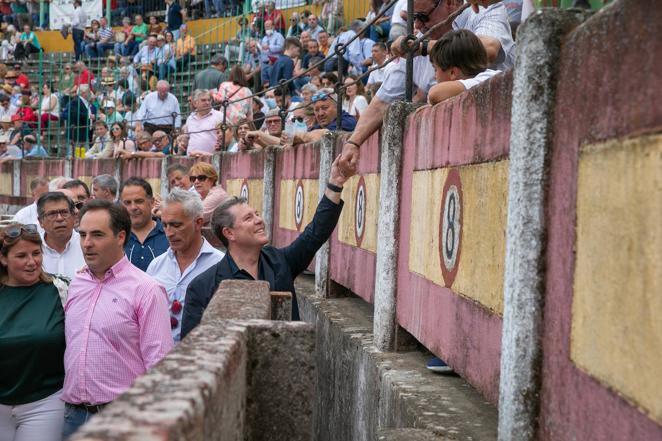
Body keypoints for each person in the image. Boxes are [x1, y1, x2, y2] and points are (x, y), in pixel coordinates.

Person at [181, 153, 353, 337]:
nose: (259, 220)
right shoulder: (203, 286)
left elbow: (316, 233)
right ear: (229, 233)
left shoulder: (279, 261)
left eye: (256, 214)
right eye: (248, 218)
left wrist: (335, 183)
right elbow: (192, 345)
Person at [338, 0, 515, 177]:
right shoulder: (419, 38)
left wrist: (421, 47)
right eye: (413, 18)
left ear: (451, 3)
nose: (417, 25)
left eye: (423, 17)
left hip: (502, 140)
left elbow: (488, 49)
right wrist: (353, 143)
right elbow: (382, 102)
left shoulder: (483, 7)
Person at [61, 200, 173, 437]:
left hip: (124, 417)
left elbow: (159, 363)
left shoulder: (146, 290)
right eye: (82, 235)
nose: (87, 244)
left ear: (121, 237)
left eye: (97, 235)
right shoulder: (77, 283)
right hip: (73, 415)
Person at [0, 223, 66, 441]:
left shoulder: (61, 290)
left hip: (45, 403)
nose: (31, 262)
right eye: (21, 256)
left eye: (36, 253)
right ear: (3, 259)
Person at [146, 189, 224, 342]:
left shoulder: (220, 265)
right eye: (165, 225)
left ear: (198, 223)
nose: (169, 233)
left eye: (176, 225)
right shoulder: (156, 266)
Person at [427, 29, 501, 105]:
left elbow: (435, 94)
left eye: (435, 69)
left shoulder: (487, 78)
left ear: (453, 73)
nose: (434, 76)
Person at [119, 177, 169, 272]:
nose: (133, 207)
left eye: (139, 201)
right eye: (127, 203)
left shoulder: (169, 235)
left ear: (152, 202)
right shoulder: (115, 238)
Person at [37, 192, 85, 281]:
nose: (59, 218)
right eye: (52, 214)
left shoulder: (87, 244)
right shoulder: (33, 247)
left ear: (74, 217)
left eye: (64, 212)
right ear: (40, 222)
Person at [184, 89, 224, 156]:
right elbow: (186, 137)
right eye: (203, 100)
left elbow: (229, 134)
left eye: (209, 100)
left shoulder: (219, 116)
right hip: (191, 158)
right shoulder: (190, 118)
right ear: (195, 103)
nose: (207, 102)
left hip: (210, 158)